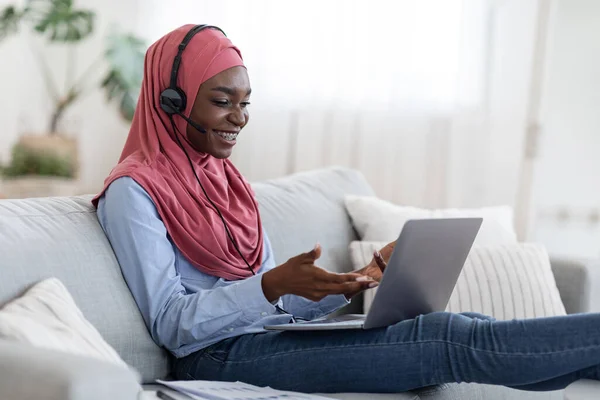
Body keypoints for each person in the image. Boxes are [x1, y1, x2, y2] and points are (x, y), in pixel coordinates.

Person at [94, 24, 600, 394]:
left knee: (464, 319)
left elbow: (273, 303)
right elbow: (171, 325)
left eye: (246, 103)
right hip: (214, 359)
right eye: (223, 101)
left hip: (262, 340)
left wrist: (358, 277)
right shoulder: (132, 192)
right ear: (170, 99)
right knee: (447, 336)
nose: (239, 118)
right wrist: (271, 286)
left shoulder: (226, 181)